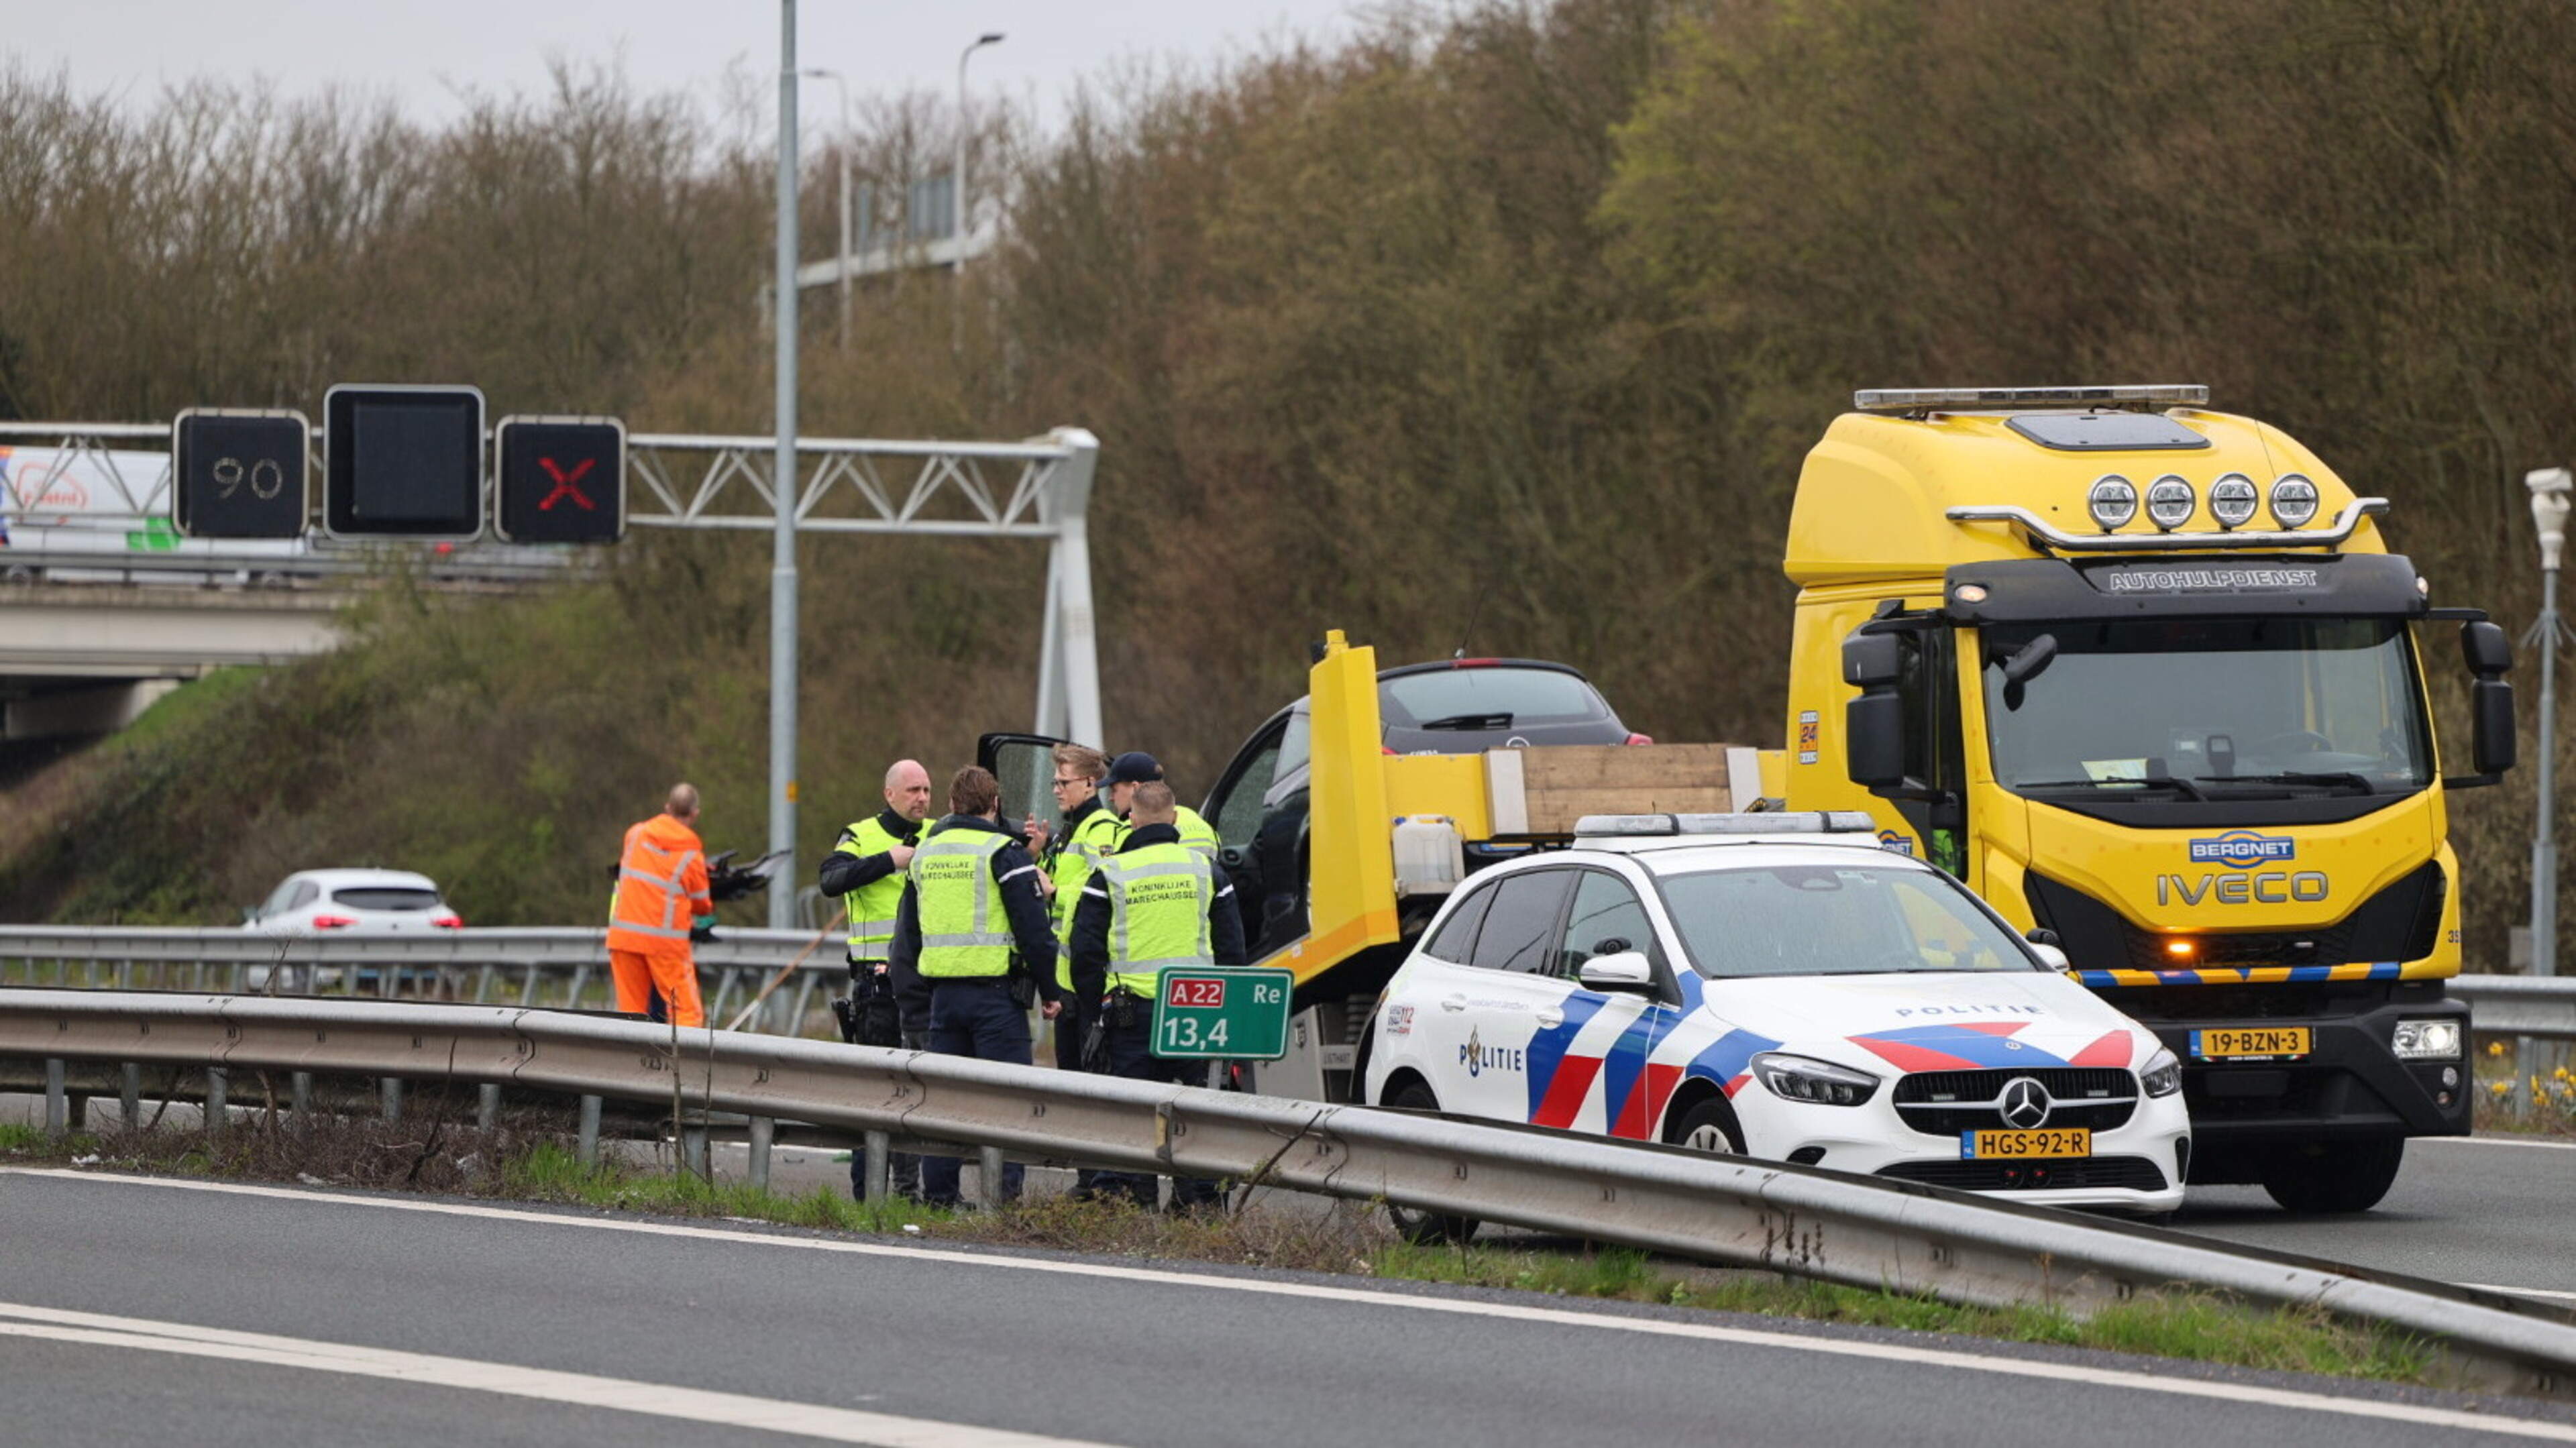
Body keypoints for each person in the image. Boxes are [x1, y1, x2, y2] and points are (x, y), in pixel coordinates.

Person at [888, 765, 1062, 1207]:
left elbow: (907, 934)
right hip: (996, 1000)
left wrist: (914, 999)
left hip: (942, 998)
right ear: (995, 805)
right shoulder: (1003, 851)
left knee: (945, 1103)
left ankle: (941, 1198)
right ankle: (1003, 1199)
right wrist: (1052, 991)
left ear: (950, 805)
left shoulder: (927, 853)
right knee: (1007, 1102)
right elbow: (1034, 930)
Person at [1069, 780, 1246, 1209]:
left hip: (1132, 1018)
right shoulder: (1205, 870)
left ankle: (1136, 1203)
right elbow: (1232, 949)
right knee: (1197, 1115)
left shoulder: (1111, 873)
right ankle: (1199, 1205)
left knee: (1135, 1118)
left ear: (1131, 818)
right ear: (1173, 818)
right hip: (1198, 1014)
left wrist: (1094, 1013)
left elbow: (1086, 952)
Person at [819, 758, 935, 1200]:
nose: (922, 798)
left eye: (927, 790)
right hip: (877, 986)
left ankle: (913, 1194)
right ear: (890, 794)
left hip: (926, 983)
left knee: (922, 1092)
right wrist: (890, 860)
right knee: (875, 1094)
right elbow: (831, 879)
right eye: (913, 791)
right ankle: (868, 1195)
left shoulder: (940, 833)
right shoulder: (860, 833)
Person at [608, 783, 714, 1029]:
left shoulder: (634, 835)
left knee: (630, 1015)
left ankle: (627, 1065)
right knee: (686, 1012)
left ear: (667, 807)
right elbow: (701, 903)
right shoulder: (691, 853)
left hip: (624, 939)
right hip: (664, 943)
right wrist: (704, 911)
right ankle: (685, 1065)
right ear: (695, 813)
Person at [1101, 752, 1220, 860]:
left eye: (1114, 790)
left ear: (1136, 788)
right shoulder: (1198, 821)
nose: (1110, 798)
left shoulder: (1132, 828)